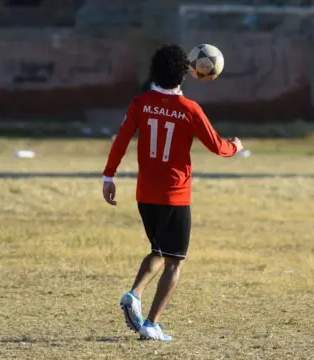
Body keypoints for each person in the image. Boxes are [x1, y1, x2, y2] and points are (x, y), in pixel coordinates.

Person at [101, 44, 244, 342]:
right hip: (175, 195)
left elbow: (122, 140)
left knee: (160, 250)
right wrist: (236, 147)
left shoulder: (140, 102)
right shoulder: (190, 110)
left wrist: (109, 176)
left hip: (145, 195)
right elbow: (218, 147)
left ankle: (134, 294)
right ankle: (151, 324)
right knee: (175, 260)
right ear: (187, 72)